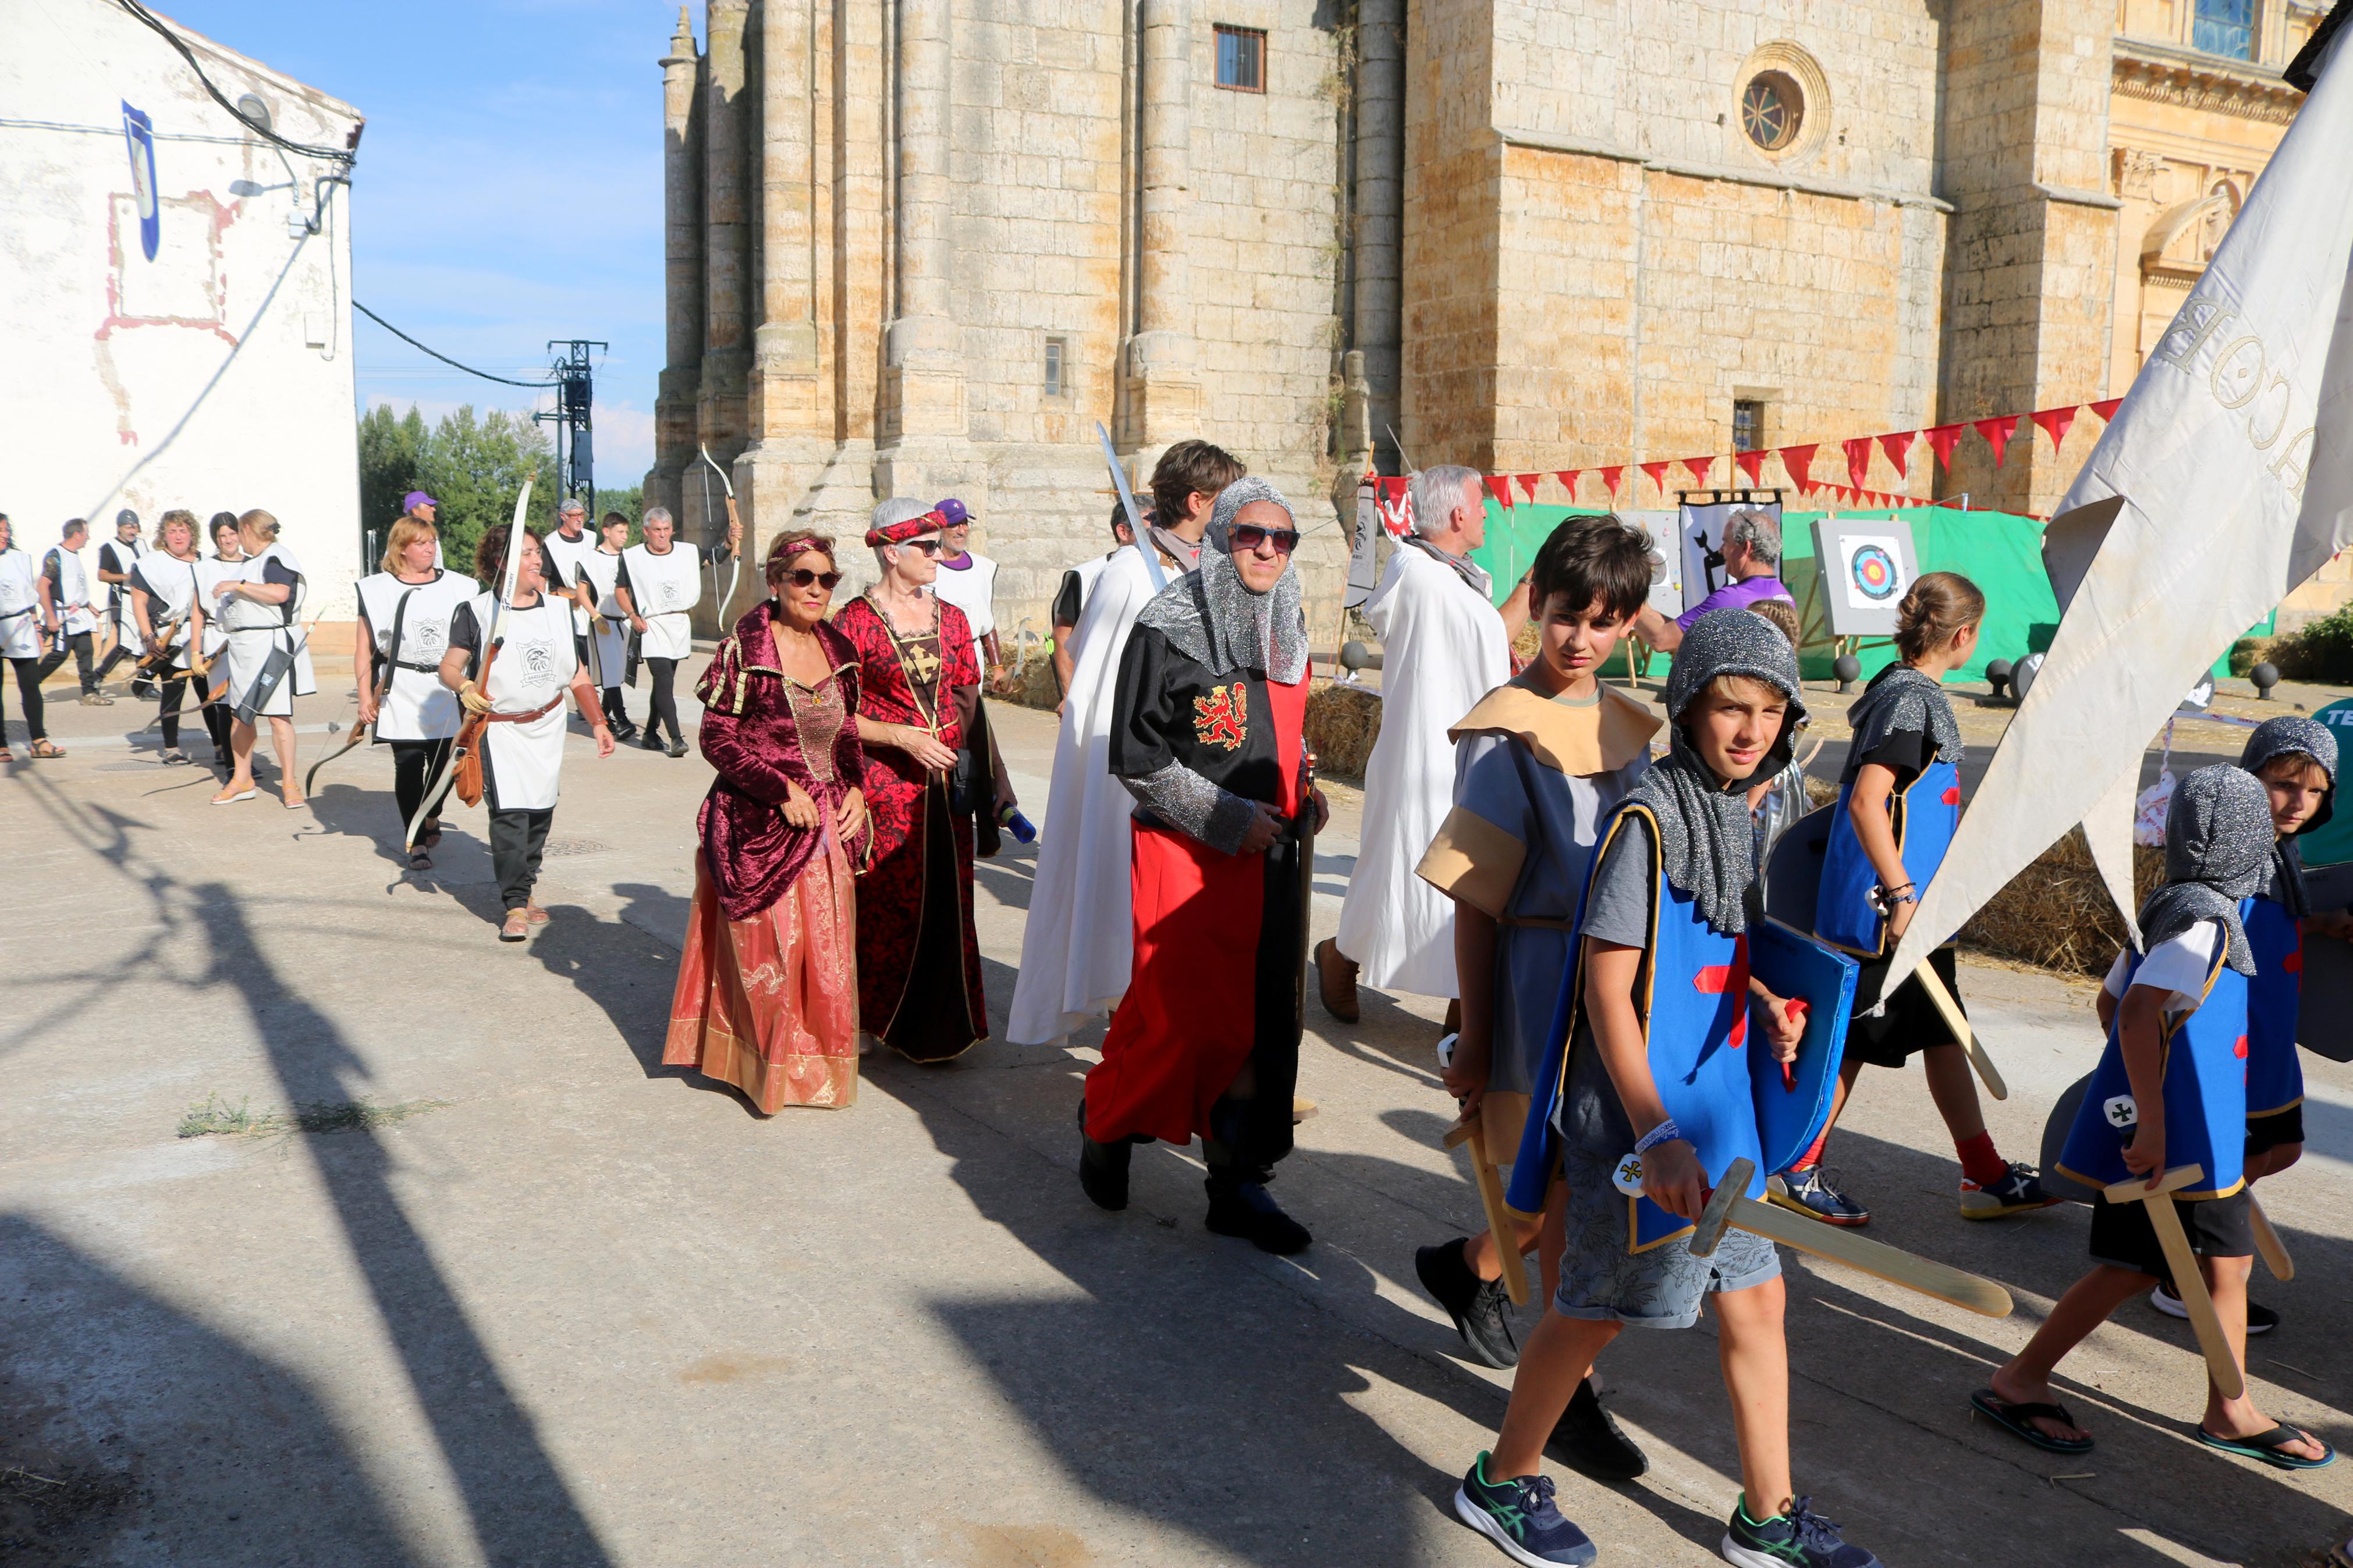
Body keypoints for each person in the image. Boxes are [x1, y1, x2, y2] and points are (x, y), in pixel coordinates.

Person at [1452, 609, 1880, 1568]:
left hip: (1717, 1113)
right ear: (1689, 706)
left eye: (1770, 710)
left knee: (1757, 1307)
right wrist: (1654, 1136)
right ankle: (1499, 1481)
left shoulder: (1735, 813)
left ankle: (1765, 1517)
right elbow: (1607, 993)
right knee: (1593, 1310)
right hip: (1637, 1131)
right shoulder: (1647, 820)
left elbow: (1707, 949)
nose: (1750, 729)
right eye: (1731, 706)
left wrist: (1763, 999)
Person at [1975, 765, 2331, 1470]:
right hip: (2172, 1146)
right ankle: (2019, 1380)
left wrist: (2151, 1082)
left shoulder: (2172, 902)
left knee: (2216, 1263)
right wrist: (2152, 1117)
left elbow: (2110, 1003)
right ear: (2245, 837)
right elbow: (2135, 1013)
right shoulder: (2201, 919)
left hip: (2204, 1137)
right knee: (2132, 1271)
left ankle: (2227, 1405)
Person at [1410, 514, 1658, 1480]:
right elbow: (1477, 902)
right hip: (1531, 983)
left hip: (1618, 985)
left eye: (1602, 622)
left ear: (1627, 625)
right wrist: (1471, 1035)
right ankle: (1569, 1400)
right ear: (1537, 609)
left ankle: (1468, 1271)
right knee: (1547, 1179)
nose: (1578, 640)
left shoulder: (1633, 726)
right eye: (1564, 616)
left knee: (1573, 1187)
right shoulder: (1503, 730)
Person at [1077, 477, 1331, 1251]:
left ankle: (1238, 1179)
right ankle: (1107, 1119)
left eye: (1281, 538)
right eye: (1251, 534)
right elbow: (1137, 753)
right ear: (1220, 537)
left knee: (1261, 1023)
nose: (1266, 549)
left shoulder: (1285, 624)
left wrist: (1302, 790)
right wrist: (1222, 817)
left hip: (1274, 860)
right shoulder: (1165, 626)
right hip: (1187, 853)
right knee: (1178, 1015)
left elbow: (1274, 738)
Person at [1786, 572, 2053, 1226]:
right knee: (1850, 1043)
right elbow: (1864, 799)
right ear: (1962, 636)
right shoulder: (1910, 703)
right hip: (1888, 920)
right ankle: (1794, 1167)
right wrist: (1902, 893)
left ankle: (1984, 1173)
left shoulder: (1907, 695)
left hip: (1918, 920)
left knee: (1941, 1033)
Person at [1006, 438, 1244, 1047]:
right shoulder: (1128, 575)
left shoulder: (1197, 571)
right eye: (1227, 500)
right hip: (1132, 768)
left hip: (1194, 766)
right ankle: (1137, 1038)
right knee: (1127, 905)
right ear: (1197, 501)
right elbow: (1104, 681)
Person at [2152, 716, 2347, 1333]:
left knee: (2281, 1147)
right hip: (2231, 1048)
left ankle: (2199, 1234)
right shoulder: (2229, 859)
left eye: (2314, 791)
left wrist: (2318, 923)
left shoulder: (2279, 853)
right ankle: (2178, 1275)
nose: (2298, 802)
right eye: (2282, 784)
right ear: (2247, 778)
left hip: (2267, 1044)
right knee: (2221, 1163)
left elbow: (2270, 920)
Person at [665, 534, 872, 1111]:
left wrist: (857, 786)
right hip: (758, 823)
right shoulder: (743, 649)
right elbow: (716, 738)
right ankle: (764, 1071)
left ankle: (813, 1070)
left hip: (826, 825)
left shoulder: (837, 646)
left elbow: (847, 731)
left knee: (821, 958)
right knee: (771, 957)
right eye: (803, 578)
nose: (815, 590)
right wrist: (779, 789)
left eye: (827, 580)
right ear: (775, 582)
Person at [1322, 463, 1529, 1023]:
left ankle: (1465, 1001)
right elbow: (1488, 634)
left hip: (1466, 752)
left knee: (1469, 873)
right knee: (1395, 871)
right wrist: (1533, 590)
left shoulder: (1454, 576)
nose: (1486, 512)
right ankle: (1340, 958)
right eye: (1480, 503)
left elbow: (1483, 639)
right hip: (1421, 752)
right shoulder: (1417, 573)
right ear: (1458, 514)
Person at [835, 500, 996, 1061]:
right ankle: (873, 1019)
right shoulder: (851, 622)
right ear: (890, 552)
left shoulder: (951, 618)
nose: (939, 554)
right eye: (926, 546)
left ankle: (945, 1025)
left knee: (951, 901)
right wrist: (903, 737)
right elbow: (834, 713)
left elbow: (969, 701)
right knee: (886, 900)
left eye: (940, 544)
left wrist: (991, 784)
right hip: (887, 786)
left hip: (947, 786)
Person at [439, 523, 616, 940]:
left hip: (547, 725)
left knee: (540, 813)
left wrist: (598, 721)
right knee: (509, 816)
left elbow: (576, 673)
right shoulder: (476, 611)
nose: (538, 559)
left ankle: (526, 883)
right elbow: (449, 666)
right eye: (527, 552)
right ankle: (515, 902)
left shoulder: (558, 609)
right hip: (499, 732)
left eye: (537, 551)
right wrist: (464, 686)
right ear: (501, 563)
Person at [352, 517, 480, 869]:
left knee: (444, 766)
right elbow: (364, 649)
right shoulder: (376, 589)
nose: (431, 548)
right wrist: (365, 696)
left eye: (433, 541)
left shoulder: (462, 587)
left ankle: (433, 812)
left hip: (445, 687)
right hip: (401, 687)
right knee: (408, 764)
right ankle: (416, 839)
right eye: (422, 543)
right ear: (401, 549)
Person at [201, 510, 315, 808]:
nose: (237, 538)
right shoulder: (255, 562)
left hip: (270, 646)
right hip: (244, 648)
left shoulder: (276, 556)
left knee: (278, 717)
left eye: (239, 532)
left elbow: (280, 593)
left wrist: (236, 585)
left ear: (249, 529)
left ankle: (289, 783)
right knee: (240, 716)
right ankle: (242, 779)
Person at [617, 504, 737, 756]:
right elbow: (620, 591)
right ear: (646, 531)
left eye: (666, 530)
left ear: (672, 530)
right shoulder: (632, 557)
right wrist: (632, 615)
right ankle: (676, 738)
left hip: (679, 624)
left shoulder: (687, 552)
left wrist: (729, 540)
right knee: (663, 680)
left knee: (665, 685)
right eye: (657, 530)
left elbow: (715, 557)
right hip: (652, 625)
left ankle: (650, 733)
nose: (662, 535)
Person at [1633, 507, 1794, 655]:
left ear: (1746, 547)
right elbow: (1679, 630)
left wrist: (1625, 598)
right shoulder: (1783, 596)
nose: (1721, 550)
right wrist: (1643, 608)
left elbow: (1661, 640)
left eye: (1726, 542)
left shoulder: (1733, 598)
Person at [127, 510, 206, 764]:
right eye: (172, 531)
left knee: (211, 697)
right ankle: (172, 749)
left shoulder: (206, 563)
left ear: (192, 534)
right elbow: (138, 602)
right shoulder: (152, 564)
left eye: (183, 530)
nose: (178, 536)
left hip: (202, 639)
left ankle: (221, 747)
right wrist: (149, 637)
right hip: (170, 639)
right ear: (164, 535)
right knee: (174, 694)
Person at [1050, 501, 1139, 703]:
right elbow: (1063, 635)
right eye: (1146, 529)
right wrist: (1069, 695)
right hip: (1096, 693)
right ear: (1123, 532)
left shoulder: (1163, 572)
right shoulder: (1084, 576)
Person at [0, 513, 66, 760]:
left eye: (6, 530)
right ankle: (1, 744)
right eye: (0, 530)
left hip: (21, 624)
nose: (4, 534)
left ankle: (38, 740)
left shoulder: (19, 559)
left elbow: (29, 595)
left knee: (30, 685)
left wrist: (38, 627)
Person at [927, 497, 1006, 689]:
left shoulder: (983, 567)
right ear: (939, 528)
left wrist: (998, 668)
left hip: (973, 657)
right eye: (954, 525)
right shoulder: (927, 568)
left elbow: (987, 622)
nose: (961, 530)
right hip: (938, 661)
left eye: (964, 523)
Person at [574, 511, 637, 741]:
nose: (625, 537)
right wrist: (595, 616)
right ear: (607, 531)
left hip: (625, 621)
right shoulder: (589, 559)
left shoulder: (629, 557)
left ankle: (601, 714)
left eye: (626, 532)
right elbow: (581, 593)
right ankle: (622, 720)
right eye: (620, 532)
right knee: (611, 672)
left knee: (618, 673)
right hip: (603, 621)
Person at [540, 498, 605, 718]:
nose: (579, 519)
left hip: (594, 604)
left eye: (581, 515)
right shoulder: (551, 543)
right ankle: (586, 706)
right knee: (579, 659)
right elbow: (544, 580)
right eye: (574, 516)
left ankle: (598, 704)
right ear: (563, 517)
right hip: (567, 603)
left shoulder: (591, 538)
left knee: (598, 657)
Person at [190, 514, 245, 770]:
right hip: (217, 637)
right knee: (224, 704)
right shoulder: (204, 568)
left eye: (232, 534)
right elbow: (198, 611)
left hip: (247, 637)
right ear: (216, 539)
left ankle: (246, 761)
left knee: (245, 704)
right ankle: (233, 765)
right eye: (222, 536)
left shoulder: (253, 564)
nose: (228, 540)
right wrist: (196, 652)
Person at [38, 519, 109, 706]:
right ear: (77, 535)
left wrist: (89, 605)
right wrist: (51, 617)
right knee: (59, 655)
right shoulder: (56, 556)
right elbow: (43, 586)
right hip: (64, 618)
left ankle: (89, 693)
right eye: (86, 533)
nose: (88, 537)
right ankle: (30, 683)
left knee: (86, 651)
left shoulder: (74, 555)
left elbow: (75, 587)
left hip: (80, 616)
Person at [93, 509, 147, 690]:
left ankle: (144, 685)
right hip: (122, 599)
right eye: (128, 527)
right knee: (126, 643)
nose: (132, 531)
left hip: (142, 599)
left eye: (135, 527)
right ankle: (98, 675)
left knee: (143, 641)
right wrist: (125, 577)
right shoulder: (109, 548)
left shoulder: (142, 544)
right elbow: (102, 575)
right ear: (119, 528)